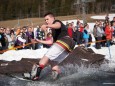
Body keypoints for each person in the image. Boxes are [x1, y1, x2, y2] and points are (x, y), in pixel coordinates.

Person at [29, 12, 75, 81]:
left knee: (45, 58)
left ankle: (33, 77)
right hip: (69, 45)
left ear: (53, 18)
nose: (46, 21)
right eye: (45, 20)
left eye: (47, 19)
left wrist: (47, 26)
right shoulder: (53, 31)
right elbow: (51, 42)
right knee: (53, 61)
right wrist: (39, 41)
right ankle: (55, 77)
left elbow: (58, 25)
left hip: (65, 41)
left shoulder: (57, 22)